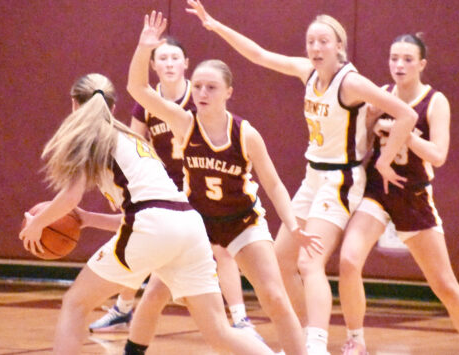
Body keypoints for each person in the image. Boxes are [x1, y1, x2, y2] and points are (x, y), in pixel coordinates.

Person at [186, 2, 418, 353]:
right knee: (281, 260)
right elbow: (259, 54)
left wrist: (383, 161)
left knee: (311, 261)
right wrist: (215, 25)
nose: (316, 48)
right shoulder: (305, 71)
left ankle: (316, 343)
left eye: (324, 41)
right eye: (311, 41)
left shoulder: (351, 83)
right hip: (313, 177)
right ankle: (303, 334)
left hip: (340, 180)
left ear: (339, 45)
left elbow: (405, 115)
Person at [18, 72, 275, 355]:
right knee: (219, 332)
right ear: (113, 108)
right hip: (189, 224)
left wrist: (36, 225)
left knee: (75, 303)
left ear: (74, 105)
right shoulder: (130, 138)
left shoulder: (90, 137)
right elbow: (149, 213)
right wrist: (89, 219)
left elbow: (70, 197)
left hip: (154, 224)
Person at [127, 11, 324, 355]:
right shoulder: (183, 122)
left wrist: (292, 225)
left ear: (228, 92)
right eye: (198, 86)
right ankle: (132, 350)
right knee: (157, 289)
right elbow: (137, 88)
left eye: (211, 87)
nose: (201, 92)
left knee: (274, 296)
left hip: (241, 222)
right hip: (197, 223)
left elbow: (275, 185)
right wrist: (145, 48)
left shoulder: (245, 134)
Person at [89, 35, 259, 338]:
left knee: (221, 249)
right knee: (139, 242)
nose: (168, 63)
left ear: (186, 64)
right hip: (163, 190)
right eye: (162, 58)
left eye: (174, 58)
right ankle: (124, 307)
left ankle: (240, 318)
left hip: (201, 184)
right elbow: (134, 143)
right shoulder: (147, 105)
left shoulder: (198, 101)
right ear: (152, 65)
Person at [338, 34, 459, 355]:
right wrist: (368, 121)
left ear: (421, 64)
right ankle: (356, 340)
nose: (399, 65)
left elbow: (438, 155)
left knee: (445, 286)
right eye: (394, 58)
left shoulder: (435, 101)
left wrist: (404, 132)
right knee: (349, 260)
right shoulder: (381, 95)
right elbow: (362, 148)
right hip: (378, 190)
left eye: (408, 59)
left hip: (414, 196)